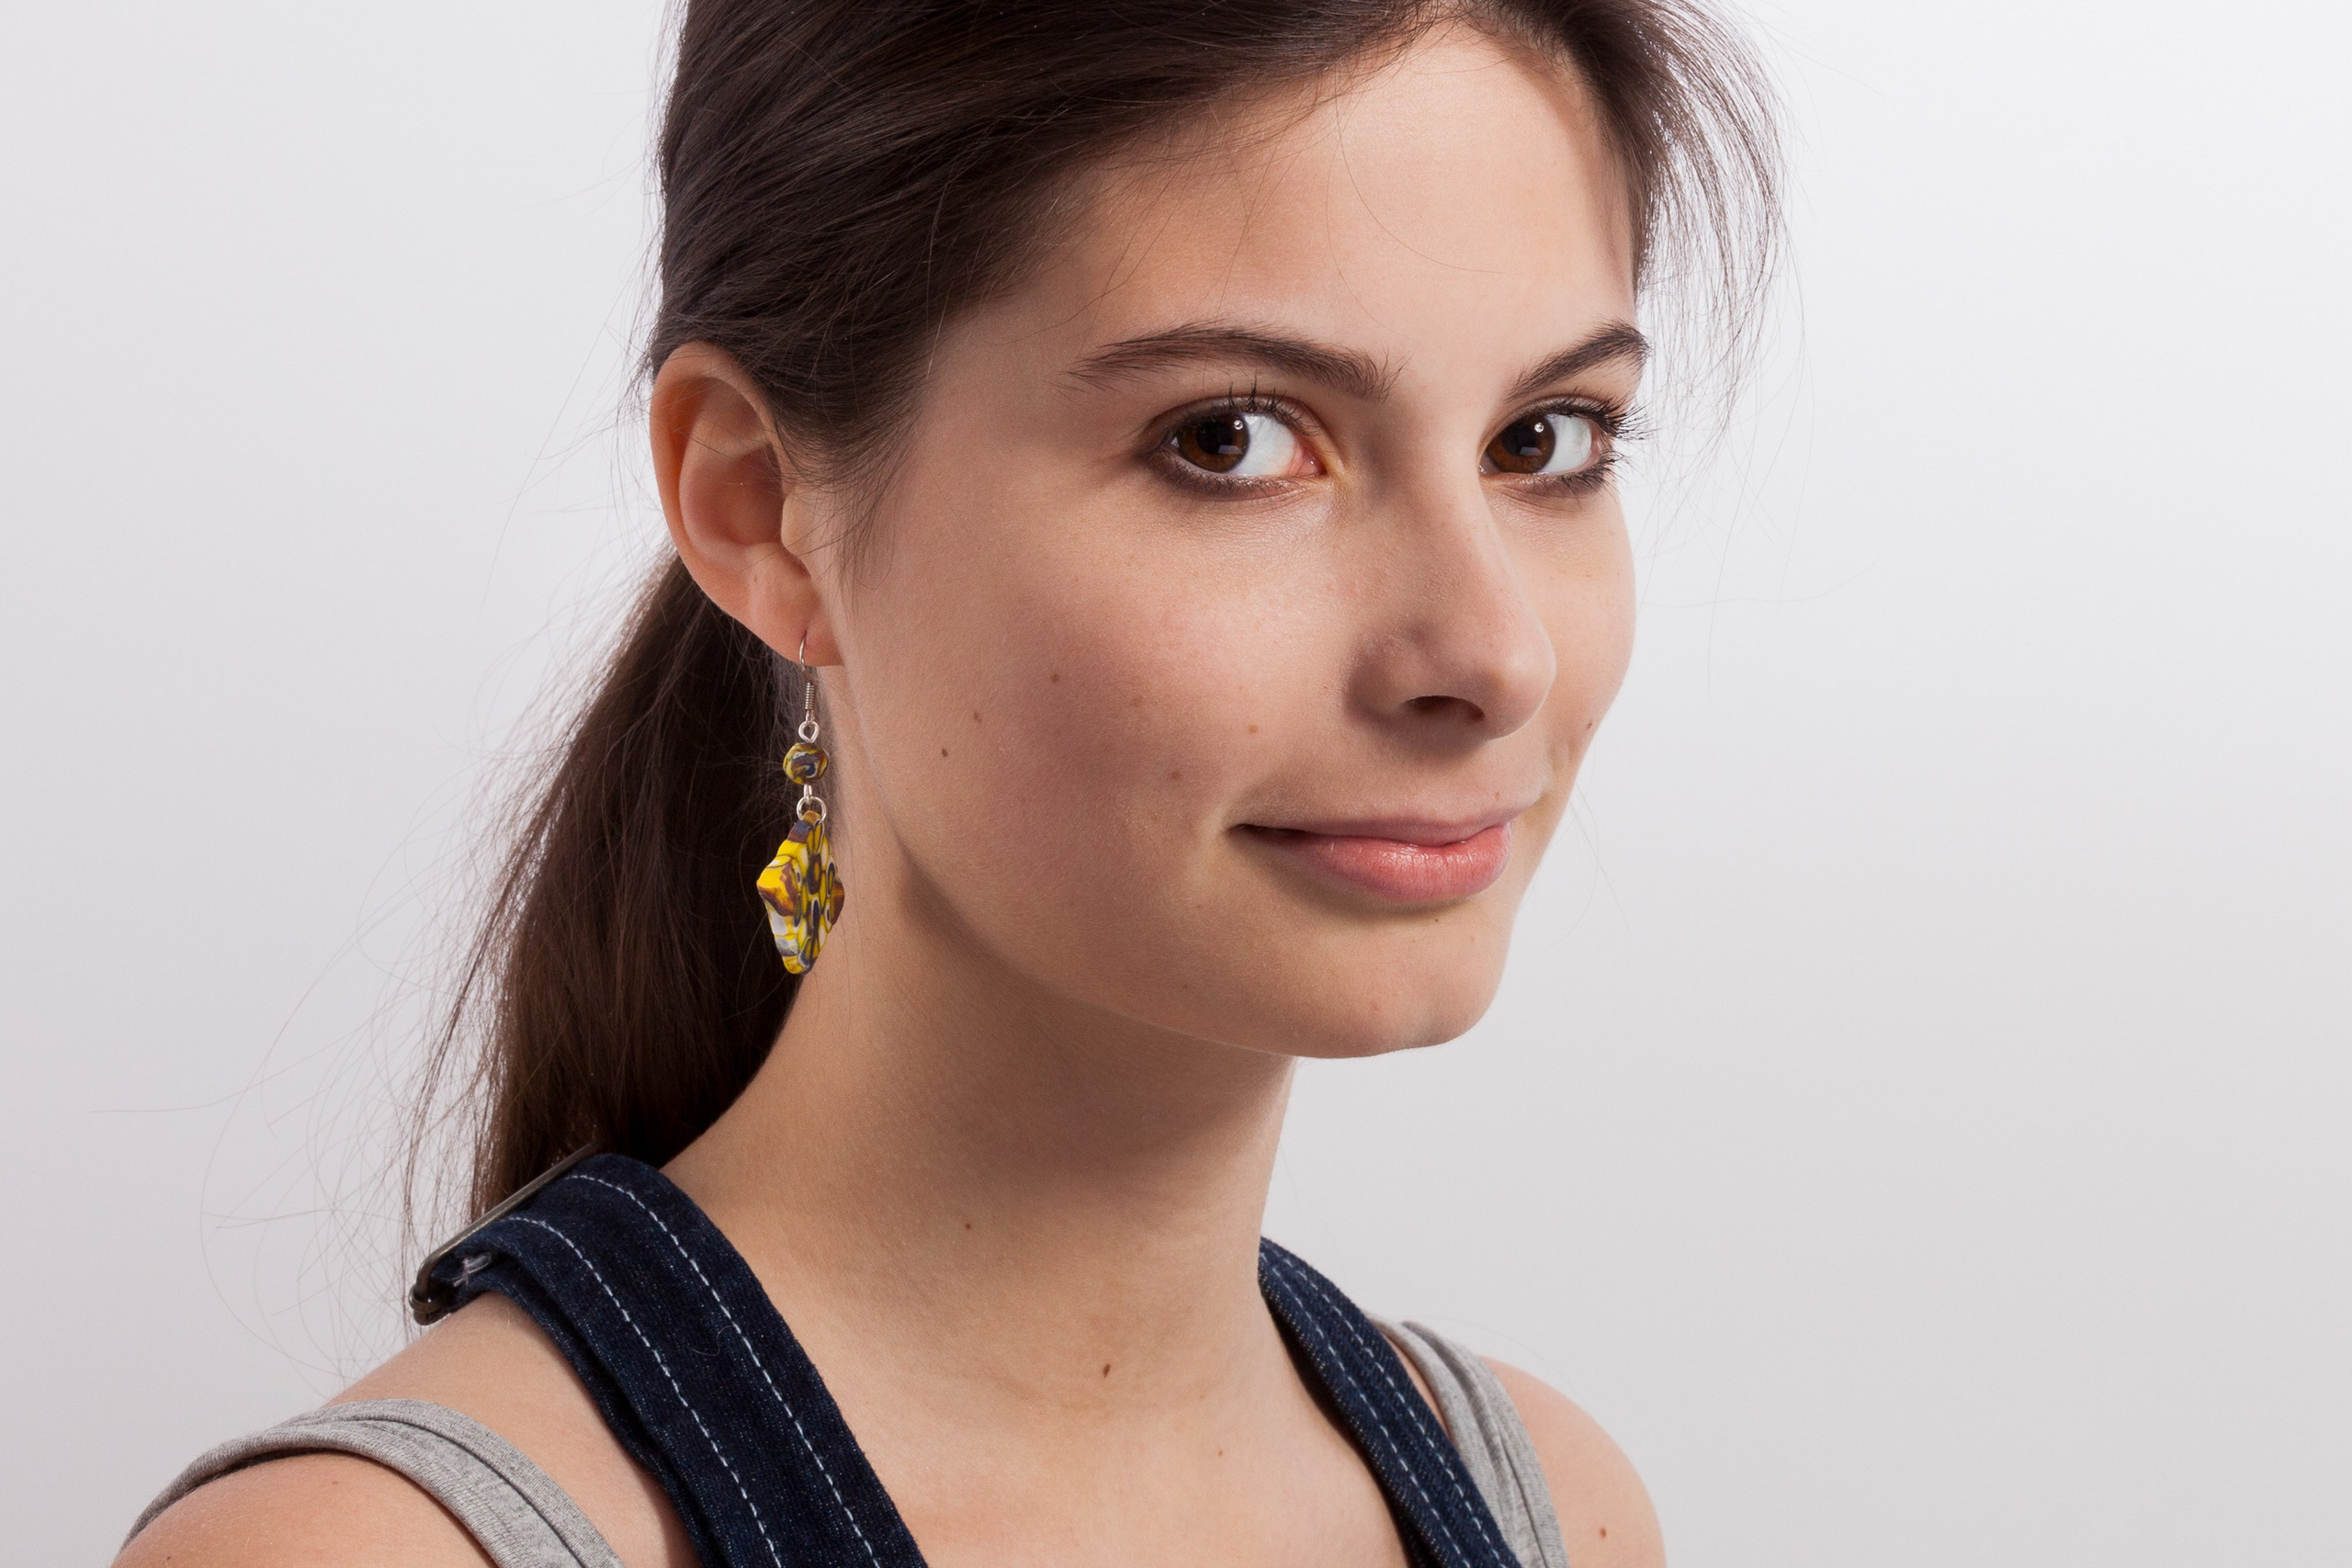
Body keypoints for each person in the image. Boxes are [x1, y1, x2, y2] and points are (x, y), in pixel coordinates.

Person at [119, 3, 1779, 1563]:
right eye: (1234, 439)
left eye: (1549, 439)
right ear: (761, 507)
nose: (1492, 655)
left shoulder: (1548, 1505)